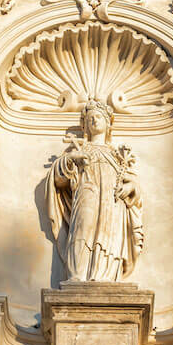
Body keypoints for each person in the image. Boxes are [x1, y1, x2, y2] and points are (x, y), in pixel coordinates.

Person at [45, 99, 144, 282]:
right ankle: (78, 274)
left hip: (112, 201)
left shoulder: (115, 155)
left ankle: (106, 275)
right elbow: (58, 180)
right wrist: (71, 159)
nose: (94, 120)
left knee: (110, 235)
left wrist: (130, 187)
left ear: (108, 124)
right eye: (90, 118)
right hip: (86, 193)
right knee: (83, 227)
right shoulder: (80, 149)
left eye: (98, 117)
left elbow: (133, 183)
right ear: (84, 125)